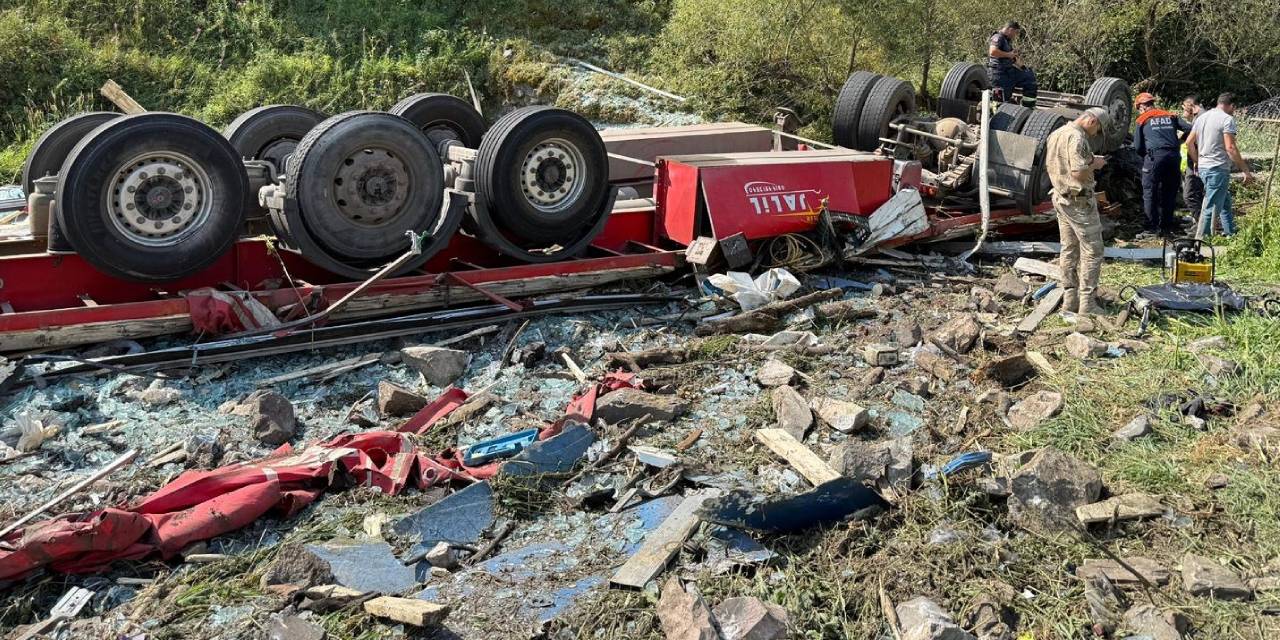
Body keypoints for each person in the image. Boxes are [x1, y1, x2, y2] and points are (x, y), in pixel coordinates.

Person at [1045, 108, 1109, 316]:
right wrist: (1094, 164)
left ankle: (1070, 298)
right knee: (1093, 250)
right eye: (1098, 129)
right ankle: (1088, 303)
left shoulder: (1057, 133)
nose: (1095, 133)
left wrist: (1088, 160)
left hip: (1061, 197)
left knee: (1069, 248)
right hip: (1079, 202)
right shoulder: (1077, 138)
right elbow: (1078, 172)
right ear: (1092, 120)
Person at [1186, 93, 1254, 237]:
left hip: (1204, 167)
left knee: (1224, 201)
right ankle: (1202, 239)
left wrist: (1198, 161)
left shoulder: (1202, 117)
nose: (1234, 111)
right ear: (1232, 105)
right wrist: (1245, 170)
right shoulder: (1227, 119)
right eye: (1234, 108)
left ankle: (1230, 233)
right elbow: (1231, 148)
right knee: (1211, 205)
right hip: (1217, 168)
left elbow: (1189, 143)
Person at [1132, 92, 1190, 237]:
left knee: (1149, 192)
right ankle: (1166, 226)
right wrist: (1179, 140)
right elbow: (1191, 129)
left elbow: (1138, 146)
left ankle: (1151, 228)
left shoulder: (1142, 120)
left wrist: (1147, 157)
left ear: (1142, 107)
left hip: (1154, 157)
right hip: (1173, 156)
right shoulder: (1170, 115)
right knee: (1169, 191)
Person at [988, 21, 1038, 108]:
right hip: (999, 73)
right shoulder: (997, 37)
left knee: (1029, 78)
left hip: (1009, 71)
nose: (1016, 35)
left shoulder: (1007, 40)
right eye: (1016, 33)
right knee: (1000, 101)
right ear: (1010, 30)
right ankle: (995, 116)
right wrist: (1008, 54)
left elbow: (1013, 58)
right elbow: (992, 52)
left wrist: (1024, 68)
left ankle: (1028, 107)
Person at [1180, 95, 1204, 218]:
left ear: (1191, 106)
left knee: (1189, 195)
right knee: (1197, 193)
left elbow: (1192, 142)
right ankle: (1200, 223)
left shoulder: (1200, 119)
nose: (1183, 111)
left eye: (1184, 108)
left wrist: (1196, 161)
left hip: (1197, 162)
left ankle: (1200, 224)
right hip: (1199, 161)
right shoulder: (1200, 118)